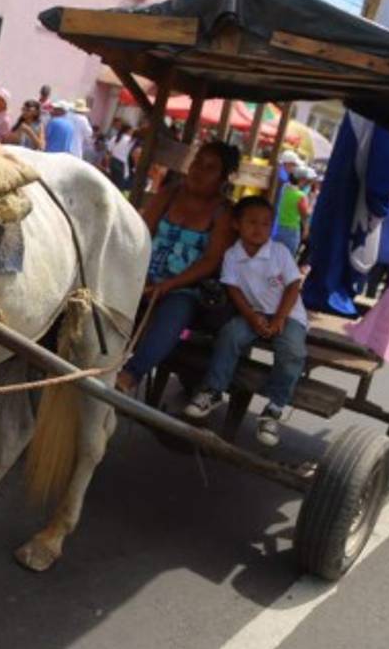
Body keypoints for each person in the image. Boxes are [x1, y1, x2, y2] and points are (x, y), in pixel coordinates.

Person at [181, 195, 308, 446]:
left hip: (288, 313)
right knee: (230, 335)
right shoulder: (232, 255)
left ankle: (274, 408)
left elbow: (294, 286)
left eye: (265, 223)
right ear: (237, 225)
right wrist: (251, 316)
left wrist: (280, 317)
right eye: (252, 222)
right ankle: (214, 390)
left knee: (293, 351)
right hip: (253, 312)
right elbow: (233, 289)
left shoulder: (280, 252)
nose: (259, 229)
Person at [116, 141, 240, 395]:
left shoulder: (223, 212)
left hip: (185, 287)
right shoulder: (168, 194)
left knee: (177, 310)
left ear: (223, 177)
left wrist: (168, 285)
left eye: (210, 168)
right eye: (196, 163)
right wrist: (137, 277)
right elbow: (141, 234)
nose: (198, 171)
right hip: (143, 276)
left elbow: (210, 261)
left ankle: (130, 375)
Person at [274, 166, 312, 257]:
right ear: (301, 179)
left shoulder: (284, 189)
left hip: (279, 228)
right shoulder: (301, 195)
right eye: (306, 180)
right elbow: (305, 214)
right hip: (292, 231)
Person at [106, 123, 134, 189]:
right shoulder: (129, 140)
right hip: (121, 163)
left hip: (113, 161)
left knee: (112, 182)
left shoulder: (115, 137)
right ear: (129, 131)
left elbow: (109, 150)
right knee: (118, 186)